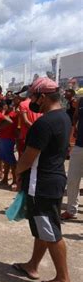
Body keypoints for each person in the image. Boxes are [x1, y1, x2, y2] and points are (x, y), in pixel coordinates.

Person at [13, 77, 73, 282]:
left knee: (50, 231)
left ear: (44, 97)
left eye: (33, 96)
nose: (31, 100)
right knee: (42, 227)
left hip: (42, 184)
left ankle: (64, 281)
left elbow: (29, 157)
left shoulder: (44, 122)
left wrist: (18, 174)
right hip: (53, 179)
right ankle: (32, 265)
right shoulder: (63, 117)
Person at [60, 88, 83, 220]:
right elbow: (75, 118)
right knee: (73, 179)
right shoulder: (80, 103)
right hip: (79, 146)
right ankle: (71, 210)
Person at [0, 99, 18, 190]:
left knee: (11, 160)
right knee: (6, 160)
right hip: (4, 138)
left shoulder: (12, 114)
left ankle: (15, 180)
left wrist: (4, 111)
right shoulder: (8, 114)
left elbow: (1, 120)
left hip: (9, 138)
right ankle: (5, 178)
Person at [15, 85, 42, 156]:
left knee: (23, 158)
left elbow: (26, 121)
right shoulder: (39, 104)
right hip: (38, 135)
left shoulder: (22, 104)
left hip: (26, 135)